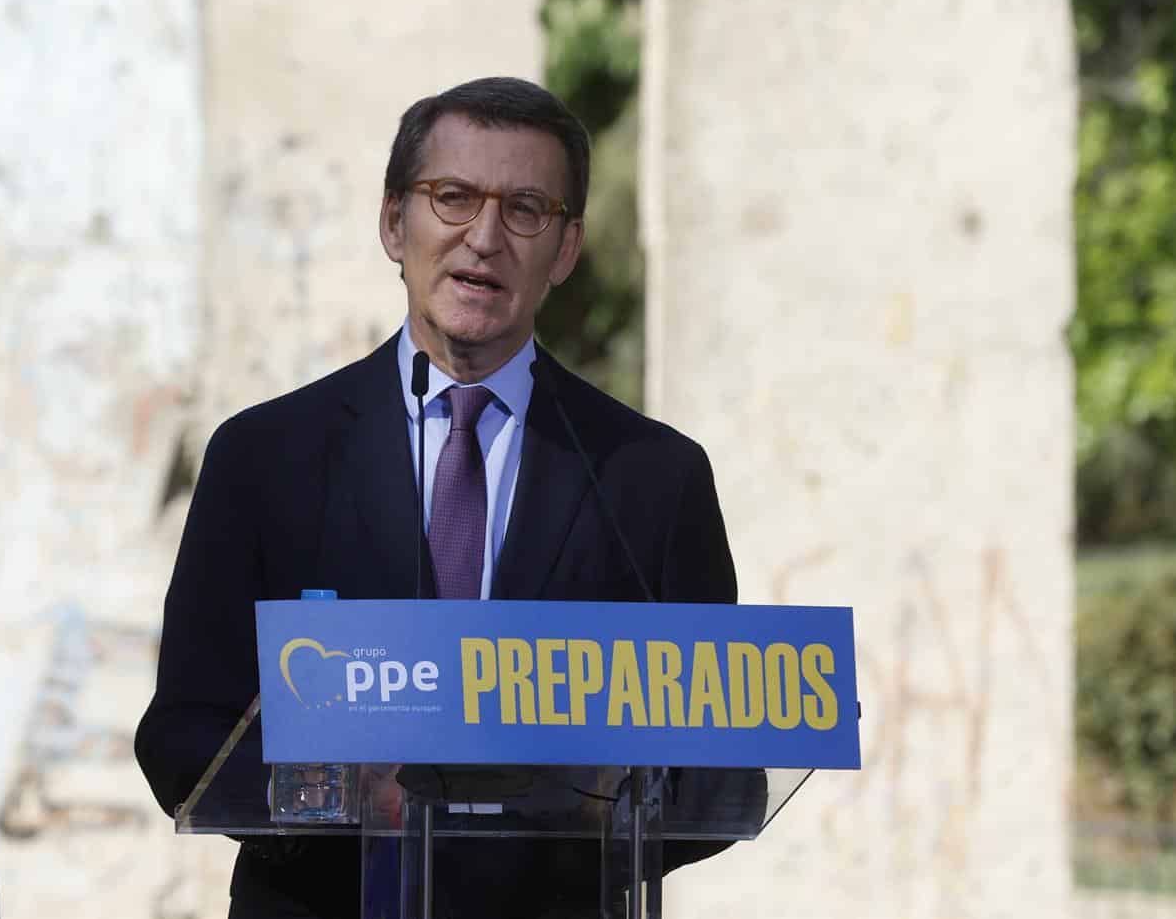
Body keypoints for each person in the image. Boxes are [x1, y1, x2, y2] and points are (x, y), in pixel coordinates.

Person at [135, 77, 738, 918]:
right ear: (394, 223)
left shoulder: (651, 476)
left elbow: (722, 768)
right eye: (452, 197)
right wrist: (337, 794)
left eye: (526, 208)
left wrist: (585, 805)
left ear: (565, 250)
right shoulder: (265, 456)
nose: (484, 237)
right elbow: (181, 737)